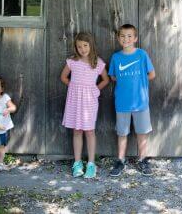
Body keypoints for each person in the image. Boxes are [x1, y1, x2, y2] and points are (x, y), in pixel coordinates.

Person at [107, 24, 156, 177]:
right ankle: (120, 160)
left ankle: (142, 159)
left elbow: (152, 74)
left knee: (142, 132)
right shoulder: (116, 57)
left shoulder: (142, 55)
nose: (126, 39)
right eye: (122, 36)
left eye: (129, 36)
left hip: (141, 101)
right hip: (122, 102)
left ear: (135, 38)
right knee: (122, 133)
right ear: (118, 38)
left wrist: (139, 83)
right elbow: (113, 77)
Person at [61, 32, 110, 178]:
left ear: (91, 45)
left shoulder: (98, 62)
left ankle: (91, 164)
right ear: (76, 48)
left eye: (85, 45)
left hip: (89, 100)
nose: (82, 49)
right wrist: (73, 86)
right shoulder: (72, 61)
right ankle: (77, 163)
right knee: (77, 130)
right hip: (75, 99)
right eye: (79, 46)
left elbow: (105, 80)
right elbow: (63, 77)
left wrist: (95, 89)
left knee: (89, 131)